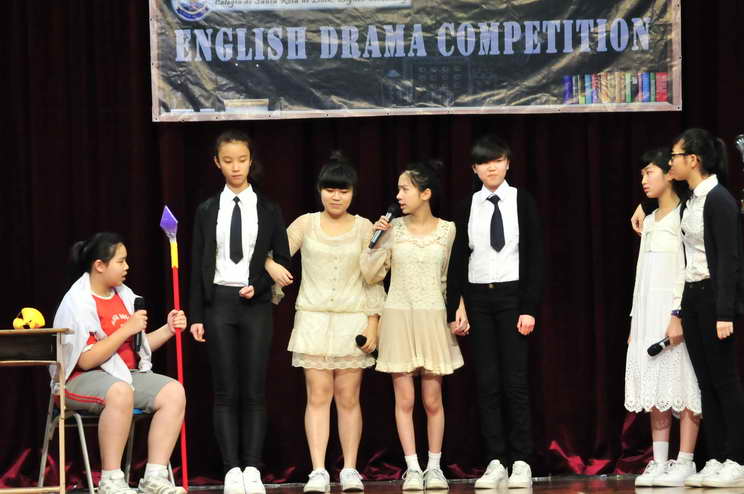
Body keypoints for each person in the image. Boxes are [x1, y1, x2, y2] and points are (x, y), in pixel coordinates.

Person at [630, 128, 744, 488]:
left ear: (692, 160)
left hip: (713, 298)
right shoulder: (693, 200)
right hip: (692, 298)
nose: (671, 162)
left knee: (725, 382)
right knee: (706, 383)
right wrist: (645, 205)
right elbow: (666, 208)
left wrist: (725, 313)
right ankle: (716, 458)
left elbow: (730, 261)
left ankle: (737, 459)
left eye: (675, 157)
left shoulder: (719, 200)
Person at [264, 152, 384, 493]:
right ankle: (318, 470)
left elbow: (374, 278)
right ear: (319, 190)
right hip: (313, 320)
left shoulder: (365, 227)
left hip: (352, 321)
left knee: (348, 397)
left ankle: (349, 469)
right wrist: (270, 265)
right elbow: (271, 252)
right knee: (317, 396)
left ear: (353, 193)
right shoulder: (305, 224)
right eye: (330, 189)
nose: (336, 196)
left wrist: (373, 324)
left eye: (343, 191)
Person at [189, 129, 291, 494]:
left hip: (255, 305)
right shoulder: (207, 210)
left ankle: (252, 467)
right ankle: (231, 468)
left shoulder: (268, 208)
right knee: (225, 391)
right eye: (228, 161)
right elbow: (198, 264)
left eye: (242, 160)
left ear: (251, 161)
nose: (236, 167)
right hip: (219, 302)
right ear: (217, 162)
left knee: (253, 391)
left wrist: (259, 285)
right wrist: (196, 314)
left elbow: (283, 259)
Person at [52, 232, 187, 494]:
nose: (127, 267)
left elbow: (137, 346)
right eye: (121, 261)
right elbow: (86, 359)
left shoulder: (124, 296)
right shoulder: (77, 302)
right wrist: (126, 329)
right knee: (120, 392)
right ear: (99, 266)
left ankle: (155, 477)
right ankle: (111, 481)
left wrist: (168, 329)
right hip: (80, 379)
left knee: (173, 391)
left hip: (124, 374)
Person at [445, 135, 543, 489]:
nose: (491, 167)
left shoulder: (522, 201)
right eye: (484, 162)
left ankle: (521, 460)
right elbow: (458, 259)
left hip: (512, 298)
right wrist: (455, 306)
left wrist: (528, 308)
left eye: (497, 160)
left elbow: (534, 256)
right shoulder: (467, 205)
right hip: (478, 299)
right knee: (487, 383)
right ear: (474, 168)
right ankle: (495, 460)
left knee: (515, 381)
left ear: (507, 163)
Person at [362, 160, 463, 491]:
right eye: (398, 189)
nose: (399, 195)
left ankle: (434, 467)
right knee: (404, 399)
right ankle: (413, 468)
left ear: (426, 193)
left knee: (432, 399)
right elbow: (370, 274)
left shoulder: (448, 230)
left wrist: (458, 309)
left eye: (405, 189)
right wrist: (376, 240)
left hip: (432, 316)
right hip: (399, 316)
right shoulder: (393, 229)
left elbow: (449, 279)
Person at [625, 148, 701, 487]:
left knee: (684, 385)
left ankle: (685, 460)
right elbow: (642, 274)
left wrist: (677, 314)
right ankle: (658, 462)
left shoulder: (683, 215)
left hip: (674, 314)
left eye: (649, 173)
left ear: (669, 173)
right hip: (647, 313)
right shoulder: (651, 220)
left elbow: (686, 270)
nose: (643, 180)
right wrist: (634, 320)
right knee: (657, 387)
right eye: (641, 174)